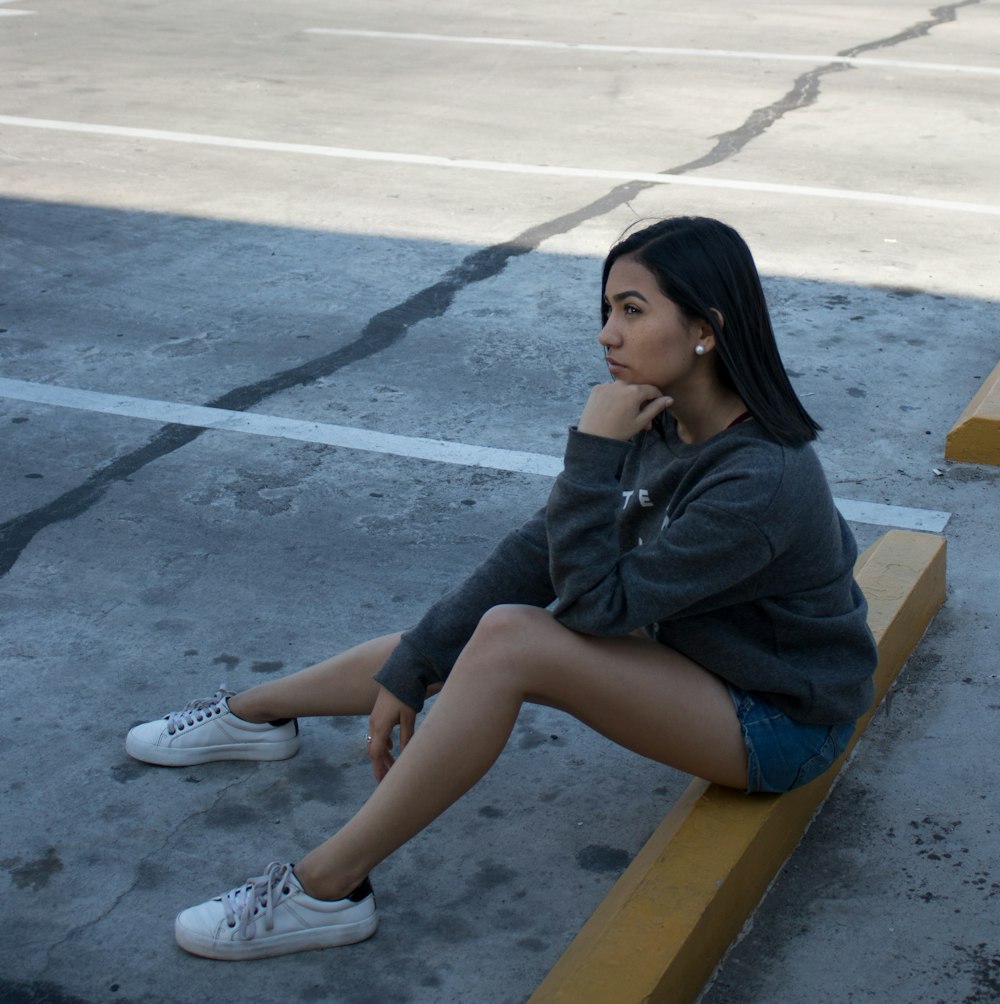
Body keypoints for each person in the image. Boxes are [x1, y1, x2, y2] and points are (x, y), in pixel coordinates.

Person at [125, 216, 878, 961]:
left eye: (632, 310)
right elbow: (542, 550)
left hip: (781, 721)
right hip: (711, 663)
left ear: (706, 328)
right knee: (488, 631)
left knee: (513, 639)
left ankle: (327, 888)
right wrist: (419, 660)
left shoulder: (760, 479)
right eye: (607, 310)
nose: (607, 334)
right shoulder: (667, 420)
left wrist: (591, 455)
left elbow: (591, 609)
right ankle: (255, 715)